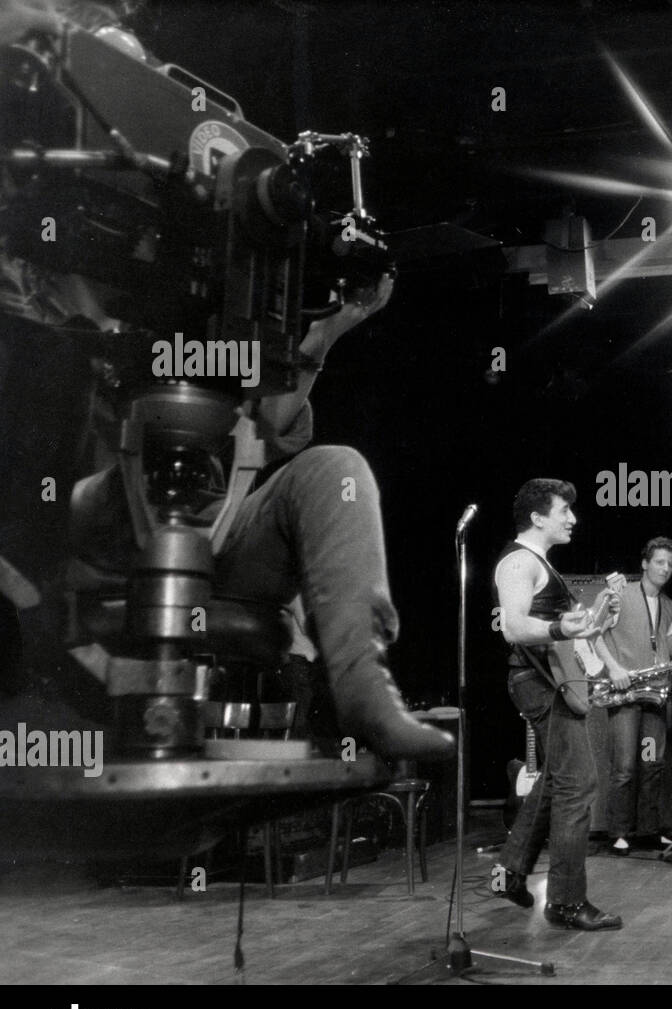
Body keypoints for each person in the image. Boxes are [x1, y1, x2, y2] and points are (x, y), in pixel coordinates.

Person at [0, 3, 454, 764]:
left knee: (335, 472)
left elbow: (269, 409)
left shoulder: (212, 294)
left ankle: (364, 687)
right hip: (102, 522)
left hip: (215, 524)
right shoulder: (58, 281)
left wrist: (335, 324)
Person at [492, 478, 624, 931]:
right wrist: (561, 631)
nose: (572, 517)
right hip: (538, 682)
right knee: (579, 785)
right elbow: (513, 626)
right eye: (563, 510)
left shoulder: (542, 563)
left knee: (555, 782)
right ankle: (566, 903)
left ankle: (509, 872)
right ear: (537, 517)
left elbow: (574, 629)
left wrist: (602, 611)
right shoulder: (517, 562)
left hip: (550, 679)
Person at [592, 536, 672, 855]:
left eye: (670, 564)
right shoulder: (621, 595)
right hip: (626, 695)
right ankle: (618, 831)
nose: (665, 568)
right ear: (644, 564)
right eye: (659, 562)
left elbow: (670, 649)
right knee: (625, 766)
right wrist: (614, 668)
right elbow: (594, 636)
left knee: (650, 762)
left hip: (653, 698)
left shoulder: (668, 605)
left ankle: (648, 829)